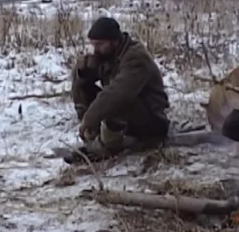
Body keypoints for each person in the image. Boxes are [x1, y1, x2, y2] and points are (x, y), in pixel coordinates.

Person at [67, 17, 171, 163]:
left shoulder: (136, 57)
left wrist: (90, 117)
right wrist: (83, 72)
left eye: (100, 44)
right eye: (93, 45)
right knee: (81, 80)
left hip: (152, 122)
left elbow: (118, 93)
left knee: (115, 100)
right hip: (131, 116)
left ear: (114, 41)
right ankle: (93, 135)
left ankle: (106, 147)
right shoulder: (109, 55)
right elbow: (86, 83)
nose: (96, 49)